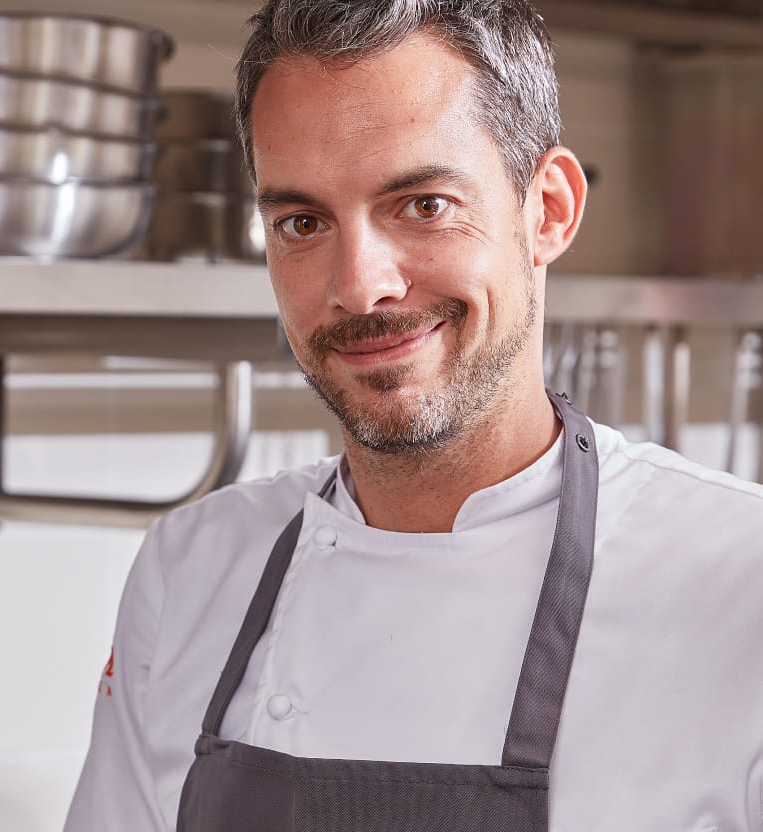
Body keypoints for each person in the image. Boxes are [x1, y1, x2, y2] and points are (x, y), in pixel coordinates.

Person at [65, 1, 763, 829]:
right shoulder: (190, 568)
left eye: (423, 204)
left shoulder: (737, 581)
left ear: (548, 210)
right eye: (302, 221)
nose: (359, 287)